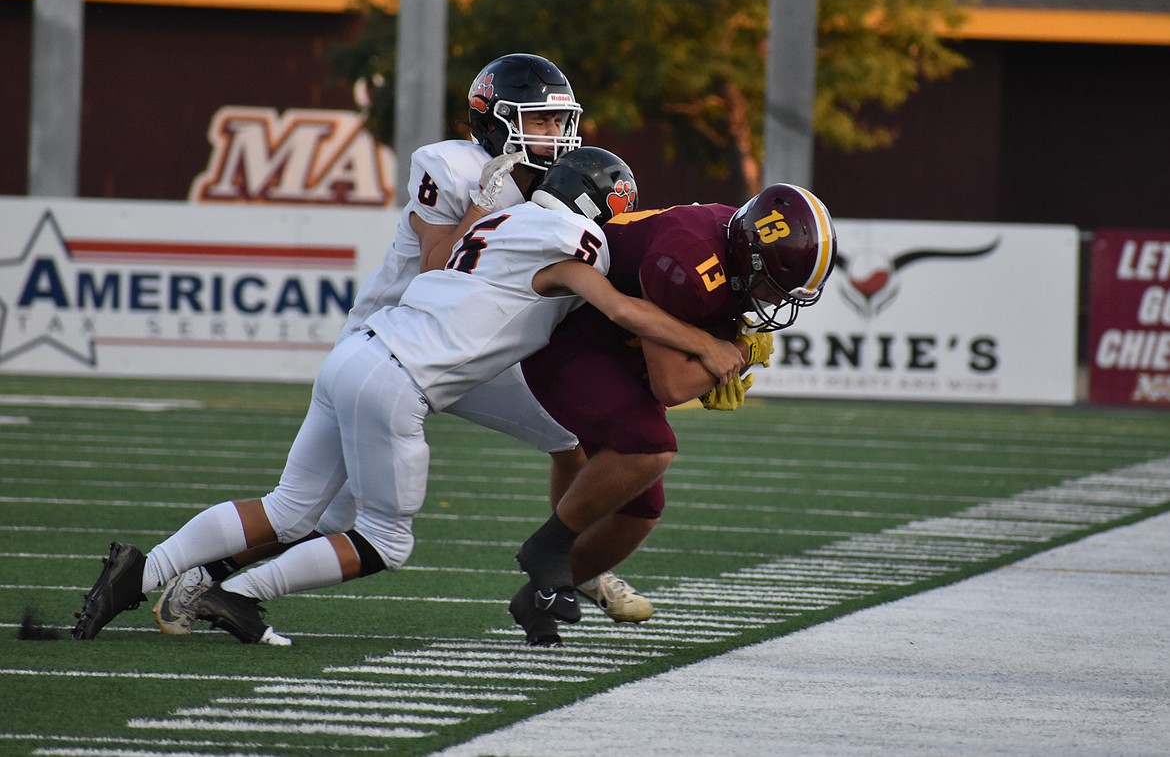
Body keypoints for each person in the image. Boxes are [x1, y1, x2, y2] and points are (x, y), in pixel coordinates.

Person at [73, 146, 746, 645]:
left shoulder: (491, 226)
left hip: (356, 351)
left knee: (291, 507)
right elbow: (624, 312)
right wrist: (714, 347)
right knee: (385, 540)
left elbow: (451, 262)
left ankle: (143, 569)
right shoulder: (576, 243)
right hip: (400, 379)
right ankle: (237, 592)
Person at [150, 53, 651, 635]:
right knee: (323, 512)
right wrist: (483, 207)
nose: (555, 135)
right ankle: (204, 580)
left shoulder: (558, 183)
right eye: (539, 121)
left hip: (474, 347)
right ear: (495, 119)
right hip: (401, 337)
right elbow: (440, 266)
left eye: (559, 120)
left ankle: (568, 563)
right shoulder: (453, 167)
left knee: (571, 439)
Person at [509, 183, 838, 646]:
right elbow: (672, 386)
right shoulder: (689, 261)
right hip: (570, 337)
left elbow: (702, 331)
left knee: (643, 510)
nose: (774, 300)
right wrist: (736, 352)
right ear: (752, 260)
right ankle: (549, 548)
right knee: (649, 447)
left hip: (620, 346)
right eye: (772, 285)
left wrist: (722, 349)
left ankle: (541, 591)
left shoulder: (737, 242)